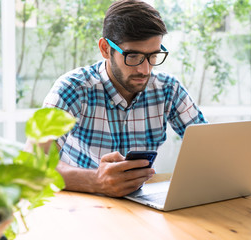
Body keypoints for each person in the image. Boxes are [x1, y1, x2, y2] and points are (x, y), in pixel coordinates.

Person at [25, 0, 207, 197]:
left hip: (141, 206)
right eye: (133, 56)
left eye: (153, 56)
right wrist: (95, 181)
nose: (145, 69)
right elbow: (32, 163)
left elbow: (210, 147)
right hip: (81, 205)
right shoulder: (72, 88)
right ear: (105, 49)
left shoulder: (168, 89)